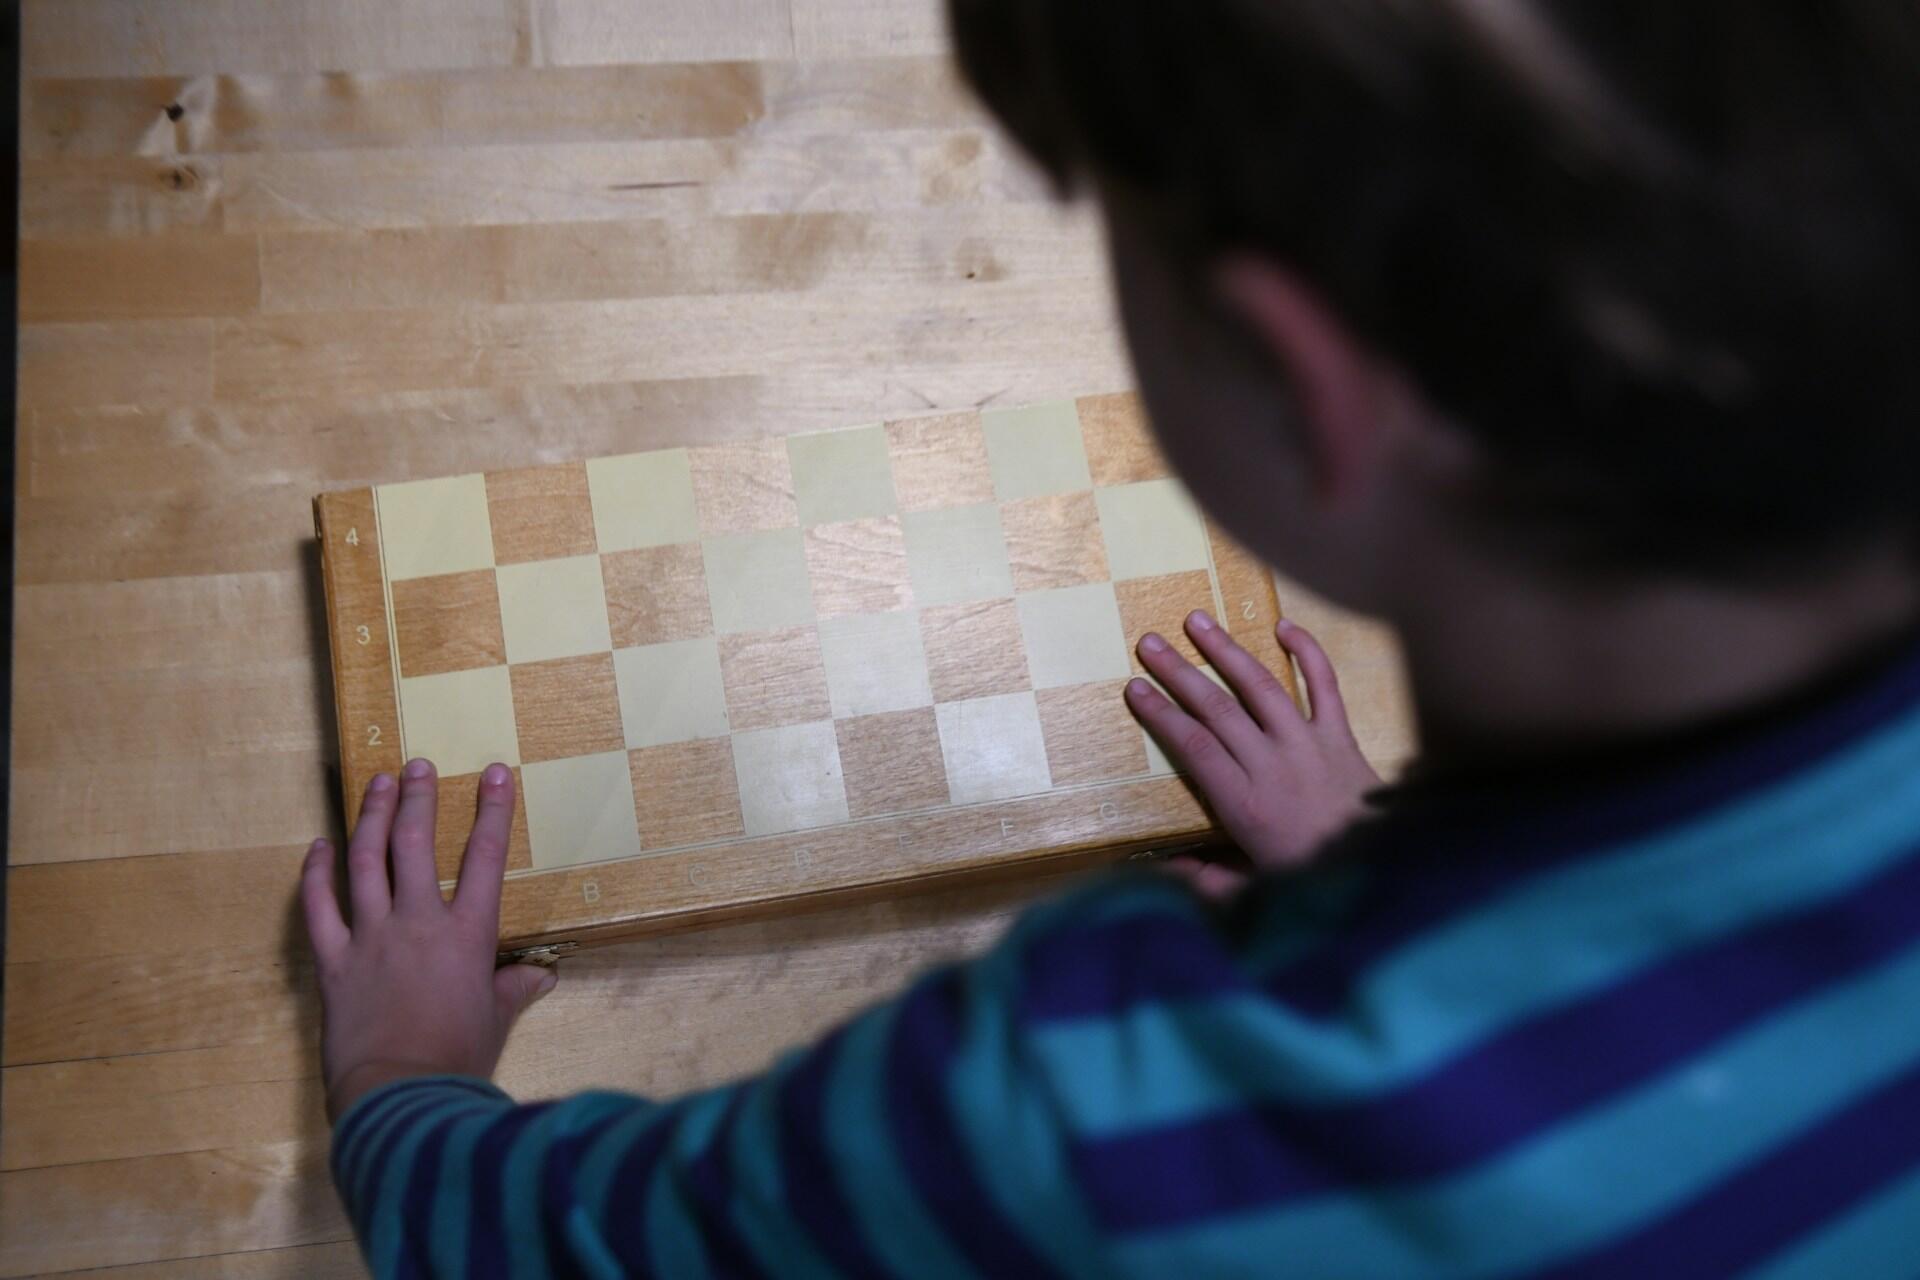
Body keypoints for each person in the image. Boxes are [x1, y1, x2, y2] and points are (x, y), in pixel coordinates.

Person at [304, 1, 1920, 1273]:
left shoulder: (1092, 1119)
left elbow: (547, 1249)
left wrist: (402, 1075)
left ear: (1301, 394)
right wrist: (1371, 853)